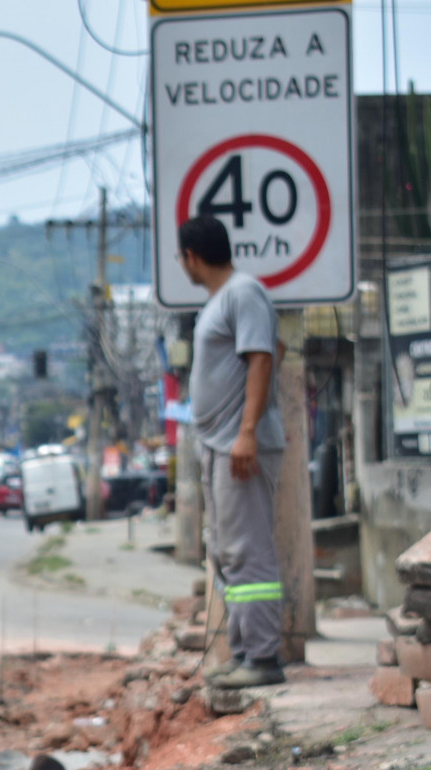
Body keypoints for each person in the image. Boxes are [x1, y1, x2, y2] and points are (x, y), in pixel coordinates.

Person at [178, 215, 287, 690]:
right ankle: (244, 652)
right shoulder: (224, 300)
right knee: (228, 553)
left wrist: (247, 431)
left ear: (192, 256)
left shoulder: (243, 293)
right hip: (219, 444)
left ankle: (263, 657)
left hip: (238, 444)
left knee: (248, 552)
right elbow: (275, 347)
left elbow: (263, 356)